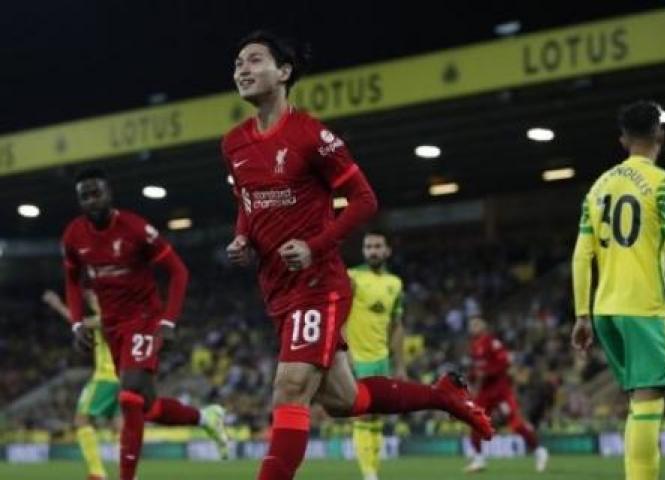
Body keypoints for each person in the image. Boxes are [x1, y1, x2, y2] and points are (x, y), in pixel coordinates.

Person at [223, 30, 493, 480]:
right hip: (275, 289)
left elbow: (364, 199)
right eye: (237, 63)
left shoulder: (312, 134)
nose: (242, 70)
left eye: (253, 60)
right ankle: (443, 394)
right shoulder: (233, 144)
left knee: (289, 389)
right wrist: (242, 240)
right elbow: (248, 205)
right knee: (342, 400)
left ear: (284, 72)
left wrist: (313, 246)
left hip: (318, 284)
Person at [571, 100, 665, 480]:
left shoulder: (597, 189)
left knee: (638, 405)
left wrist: (581, 314)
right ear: (660, 134)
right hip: (643, 307)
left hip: (605, 311)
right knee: (649, 404)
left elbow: (580, 256)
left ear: (623, 139)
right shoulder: (664, 183)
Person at [62, 168, 229, 480]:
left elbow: (179, 271)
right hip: (112, 326)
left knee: (129, 395)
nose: (91, 200)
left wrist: (167, 321)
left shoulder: (134, 228)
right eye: (85, 196)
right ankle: (206, 417)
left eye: (96, 192)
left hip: (142, 319)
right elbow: (72, 280)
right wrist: (76, 323)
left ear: (109, 194)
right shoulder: (74, 235)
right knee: (147, 408)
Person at [43, 289, 121, 480]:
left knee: (82, 420)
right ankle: (127, 474)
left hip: (105, 378)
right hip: (125, 378)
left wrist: (60, 307)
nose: (92, 301)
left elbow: (84, 323)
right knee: (118, 426)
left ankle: (97, 472)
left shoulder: (109, 318)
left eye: (95, 298)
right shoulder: (120, 317)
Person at [346, 231, 406, 480]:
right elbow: (338, 315)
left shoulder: (395, 283)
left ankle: (373, 470)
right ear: (363, 251)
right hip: (357, 357)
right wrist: (343, 353)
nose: (372, 250)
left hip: (382, 358)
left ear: (386, 251)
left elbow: (397, 325)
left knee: (378, 414)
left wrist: (400, 364)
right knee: (363, 413)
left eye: (377, 246)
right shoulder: (352, 277)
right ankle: (368, 473)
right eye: (368, 246)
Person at [463, 317, 548, 474]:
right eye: (471, 324)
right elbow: (475, 371)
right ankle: (479, 459)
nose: (473, 327)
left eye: (476, 324)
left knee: (516, 424)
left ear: (484, 326)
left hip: (500, 391)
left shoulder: (492, 342)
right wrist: (472, 378)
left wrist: (486, 372)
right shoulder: (474, 347)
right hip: (484, 393)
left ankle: (539, 451)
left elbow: (504, 363)